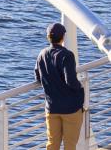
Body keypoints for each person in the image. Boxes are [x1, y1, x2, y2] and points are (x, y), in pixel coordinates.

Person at [35, 22, 84, 150]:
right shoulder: (67, 55)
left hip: (52, 107)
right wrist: (80, 89)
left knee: (52, 144)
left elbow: (38, 78)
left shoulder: (42, 54)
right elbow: (71, 81)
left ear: (48, 37)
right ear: (63, 37)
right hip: (70, 108)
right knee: (70, 145)